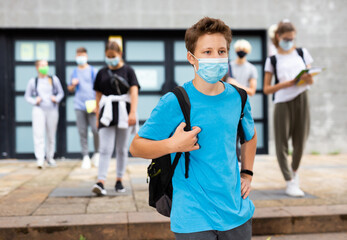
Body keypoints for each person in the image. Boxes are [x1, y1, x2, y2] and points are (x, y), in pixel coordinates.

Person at [130, 17, 257, 239]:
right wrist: (173, 144)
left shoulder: (239, 97)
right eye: (207, 52)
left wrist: (247, 173)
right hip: (192, 215)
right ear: (192, 58)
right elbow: (136, 147)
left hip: (235, 210)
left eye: (221, 51)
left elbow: (250, 137)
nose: (216, 58)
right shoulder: (175, 101)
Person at [263, 20, 314, 197]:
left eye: (292, 38)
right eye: (286, 38)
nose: (290, 40)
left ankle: (295, 173)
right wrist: (287, 84)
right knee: (282, 142)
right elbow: (267, 88)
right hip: (282, 101)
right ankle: (289, 181)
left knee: (301, 140)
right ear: (278, 37)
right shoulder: (273, 59)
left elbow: (309, 76)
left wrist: (308, 78)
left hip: (302, 97)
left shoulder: (302, 53)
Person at [91, 41, 140, 196]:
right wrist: (97, 114)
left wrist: (133, 112)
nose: (110, 59)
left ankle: (119, 180)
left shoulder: (128, 71)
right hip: (107, 112)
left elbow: (134, 92)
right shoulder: (101, 72)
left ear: (120, 55)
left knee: (121, 149)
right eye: (108, 56)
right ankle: (101, 181)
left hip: (124, 111)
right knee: (104, 149)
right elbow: (98, 94)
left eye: (113, 56)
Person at [24, 60, 64, 168]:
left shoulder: (53, 79)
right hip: (39, 110)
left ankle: (50, 158)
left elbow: (61, 93)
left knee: (51, 135)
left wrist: (56, 99)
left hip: (52, 109)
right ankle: (40, 159)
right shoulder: (33, 81)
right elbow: (27, 96)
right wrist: (34, 100)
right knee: (38, 134)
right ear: (37, 67)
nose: (44, 67)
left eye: (46, 65)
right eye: (42, 65)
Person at [67, 47, 99, 169]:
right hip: (79, 105)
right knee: (82, 131)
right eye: (78, 55)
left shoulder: (92, 71)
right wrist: (72, 85)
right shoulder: (74, 72)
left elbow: (98, 89)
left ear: (86, 56)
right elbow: (70, 89)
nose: (81, 57)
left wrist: (97, 104)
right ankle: (85, 156)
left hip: (91, 104)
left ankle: (97, 153)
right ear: (76, 57)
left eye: (82, 55)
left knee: (96, 130)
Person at [227, 39, 258, 163]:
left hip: (244, 106)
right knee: (231, 136)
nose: (241, 52)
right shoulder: (228, 66)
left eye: (244, 50)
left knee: (246, 135)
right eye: (239, 49)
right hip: (229, 106)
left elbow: (252, 90)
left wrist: (237, 84)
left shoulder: (251, 68)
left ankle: (244, 165)